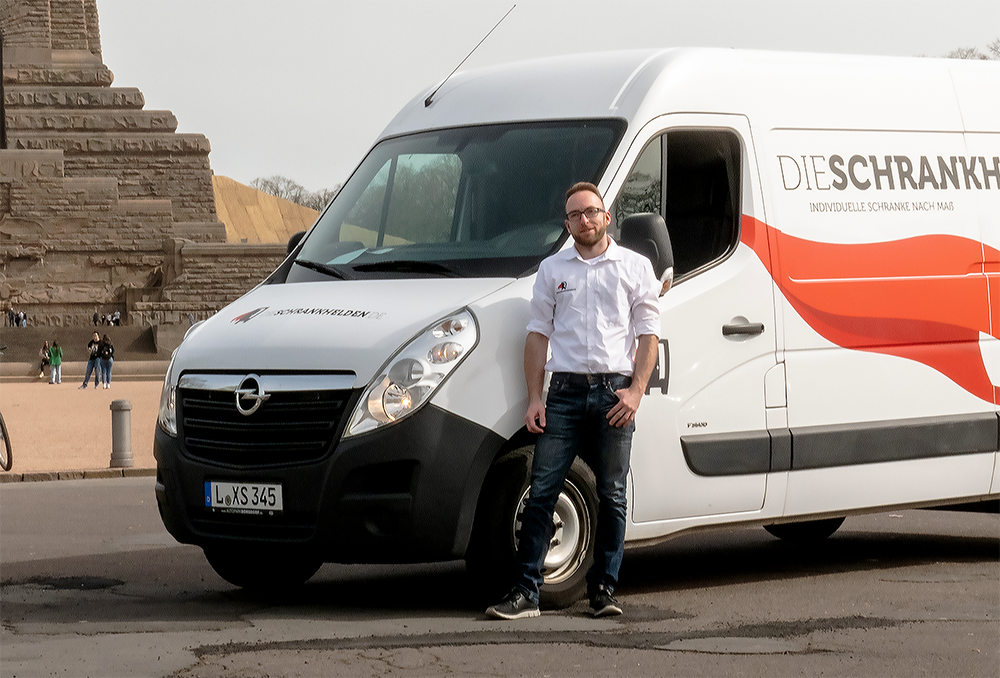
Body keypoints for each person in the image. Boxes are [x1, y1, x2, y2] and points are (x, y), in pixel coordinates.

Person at [486, 182, 661, 620]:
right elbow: (537, 335)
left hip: (613, 392)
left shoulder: (635, 268)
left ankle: (604, 591)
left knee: (613, 493)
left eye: (591, 211)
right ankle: (526, 592)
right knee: (542, 490)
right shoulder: (551, 270)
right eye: (575, 215)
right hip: (562, 393)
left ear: (606, 217)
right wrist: (534, 398)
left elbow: (648, 336)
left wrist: (636, 391)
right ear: (567, 224)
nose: (584, 220)